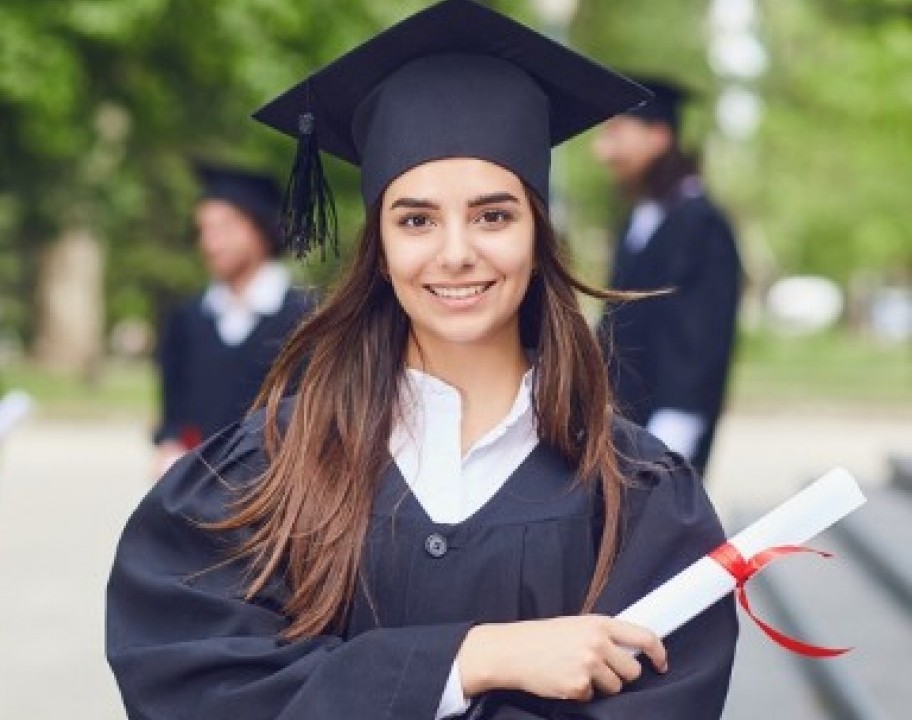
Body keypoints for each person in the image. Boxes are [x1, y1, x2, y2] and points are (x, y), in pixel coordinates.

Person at [106, 1, 738, 718]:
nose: (456, 252)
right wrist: (473, 659)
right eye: (416, 219)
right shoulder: (271, 467)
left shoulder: (635, 495)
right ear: (380, 249)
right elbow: (199, 685)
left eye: (493, 215)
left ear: (538, 237)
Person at [593, 78, 743, 477]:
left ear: (658, 136)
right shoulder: (640, 219)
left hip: (664, 431)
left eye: (616, 132)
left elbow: (703, 336)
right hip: (622, 425)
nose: (603, 151)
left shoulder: (701, 224)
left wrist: (676, 427)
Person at [152, 164, 314, 477]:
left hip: (278, 486)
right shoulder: (189, 318)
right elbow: (173, 413)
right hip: (198, 485)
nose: (211, 243)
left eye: (225, 227)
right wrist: (170, 446)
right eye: (204, 230)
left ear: (261, 228)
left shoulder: (306, 318)